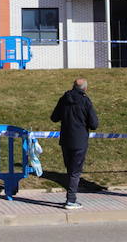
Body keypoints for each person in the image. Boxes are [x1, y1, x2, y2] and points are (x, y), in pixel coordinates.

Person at [50, 78, 99, 210]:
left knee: (70, 170)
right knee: (75, 172)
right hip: (80, 140)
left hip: (65, 140)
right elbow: (94, 124)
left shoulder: (64, 99)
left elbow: (54, 117)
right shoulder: (85, 101)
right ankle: (71, 200)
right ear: (85, 88)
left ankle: (70, 197)